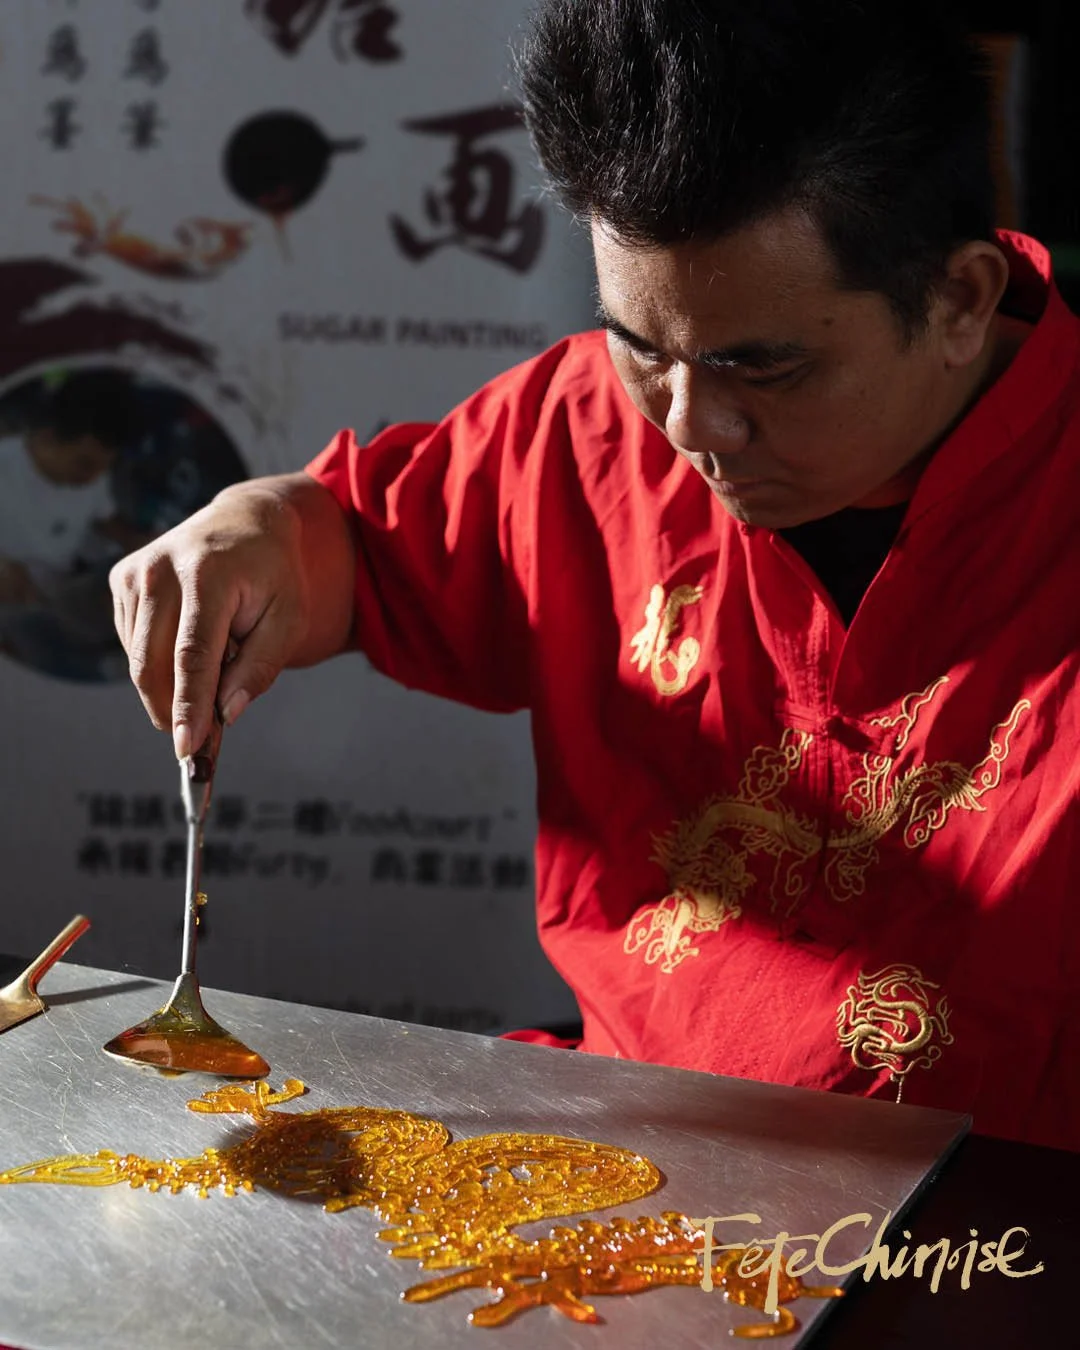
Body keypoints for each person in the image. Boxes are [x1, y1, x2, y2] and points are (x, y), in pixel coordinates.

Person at [109, 0, 1080, 1152]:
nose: (690, 427)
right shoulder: (586, 427)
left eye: (761, 367)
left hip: (991, 1232)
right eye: (641, 347)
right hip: (622, 1165)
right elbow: (354, 551)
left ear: (960, 300)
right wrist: (254, 527)